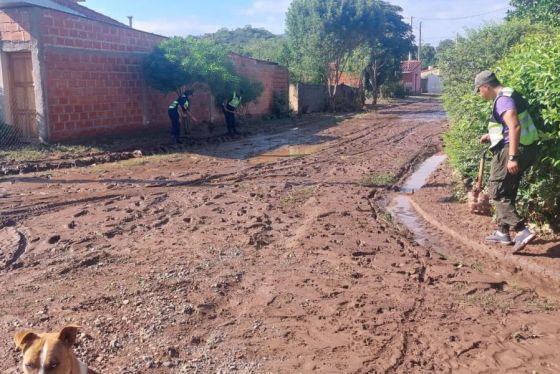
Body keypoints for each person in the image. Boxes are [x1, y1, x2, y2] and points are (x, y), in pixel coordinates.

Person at [474, 70, 539, 253]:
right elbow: (507, 126)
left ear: (486, 86)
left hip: (512, 150)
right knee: (507, 190)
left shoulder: (502, 99)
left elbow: (514, 126)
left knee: (497, 192)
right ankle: (503, 232)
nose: (480, 94)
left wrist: (512, 157)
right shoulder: (509, 93)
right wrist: (491, 135)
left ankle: (521, 230)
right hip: (526, 147)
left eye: (479, 90)